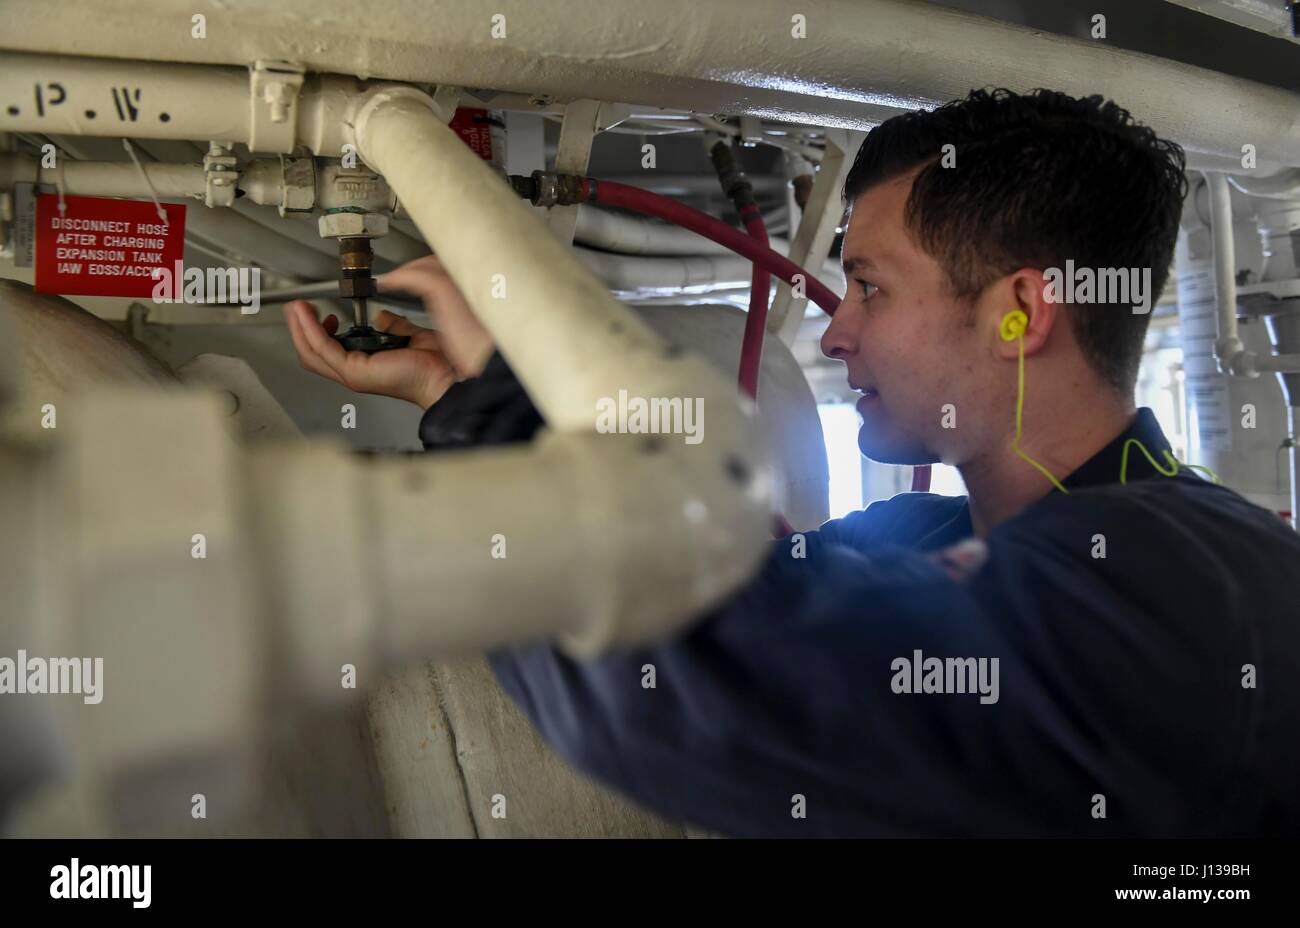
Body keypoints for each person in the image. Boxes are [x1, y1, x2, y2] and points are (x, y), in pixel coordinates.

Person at [284, 89, 1300, 837]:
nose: (838, 331)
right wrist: (458, 393)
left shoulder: (1198, 589)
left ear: (1021, 311)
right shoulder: (925, 532)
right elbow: (740, 604)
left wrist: (489, 411)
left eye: (868, 286)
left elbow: (688, 688)